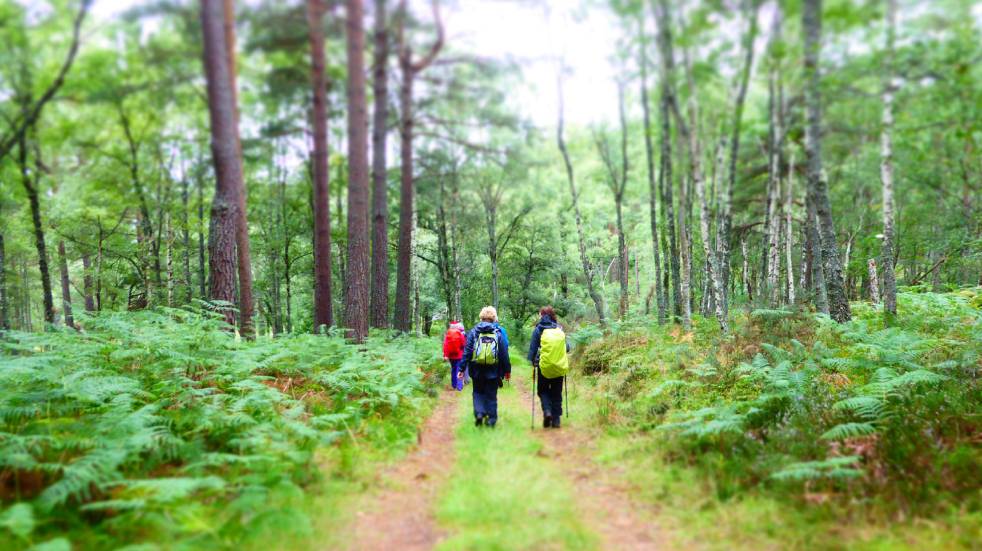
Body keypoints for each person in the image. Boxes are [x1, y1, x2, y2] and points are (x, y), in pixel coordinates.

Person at [463, 306, 511, 428]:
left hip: (476, 369)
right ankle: (491, 420)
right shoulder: (497, 332)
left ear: (481, 317)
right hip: (493, 370)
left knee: (478, 392)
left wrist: (461, 368)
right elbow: (504, 353)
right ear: (494, 318)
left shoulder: (474, 331)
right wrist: (507, 370)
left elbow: (467, 351)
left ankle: (479, 413)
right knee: (491, 395)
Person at [528, 306, 569, 429]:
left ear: (542, 316)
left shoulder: (538, 330)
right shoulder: (559, 329)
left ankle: (547, 412)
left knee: (543, 390)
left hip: (543, 366)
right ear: (553, 316)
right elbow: (567, 348)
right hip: (558, 366)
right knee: (556, 392)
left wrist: (532, 361)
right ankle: (556, 420)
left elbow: (533, 349)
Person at [443, 321, 467, 391]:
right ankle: (459, 386)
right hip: (459, 355)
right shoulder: (460, 334)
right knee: (459, 369)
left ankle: (454, 385)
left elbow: (445, 345)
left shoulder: (448, 334)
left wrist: (445, 355)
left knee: (453, 369)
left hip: (451, 356)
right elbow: (463, 344)